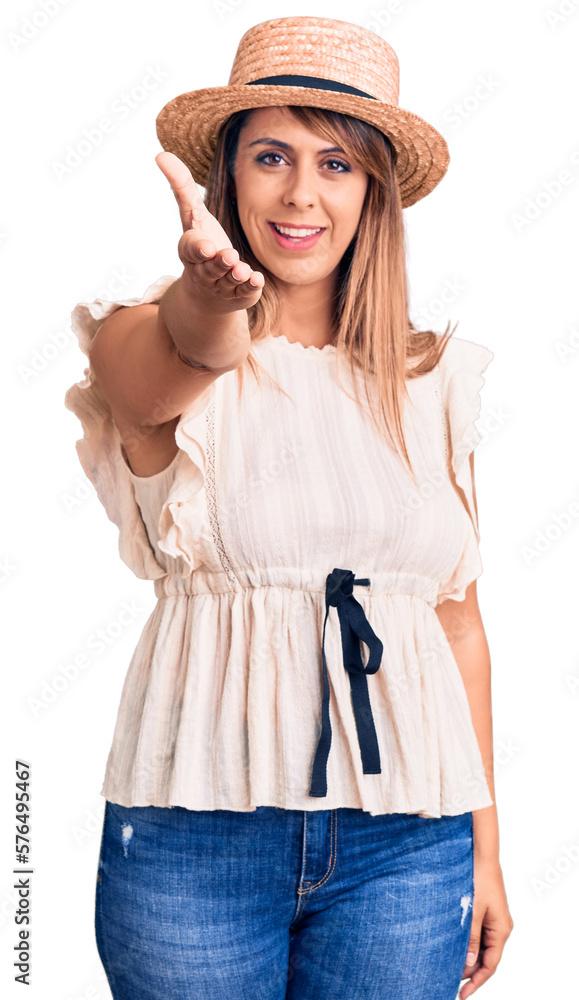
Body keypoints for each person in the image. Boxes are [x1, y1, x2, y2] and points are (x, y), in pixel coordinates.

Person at [64, 15, 513, 1000]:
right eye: (270, 156)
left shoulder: (433, 380)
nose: (301, 193)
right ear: (228, 175)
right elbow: (172, 368)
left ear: (374, 194)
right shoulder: (153, 339)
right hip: (195, 835)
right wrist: (208, 295)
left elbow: (459, 623)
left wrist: (487, 847)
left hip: (412, 840)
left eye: (337, 164)